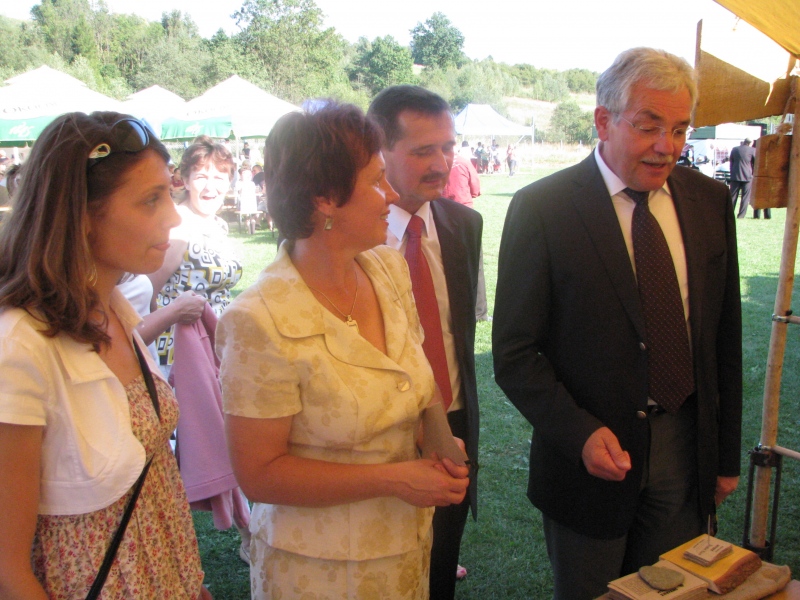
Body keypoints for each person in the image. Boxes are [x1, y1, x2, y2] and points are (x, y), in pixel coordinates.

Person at [493, 47, 742, 600]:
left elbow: (723, 337)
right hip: (589, 464)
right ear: (603, 121)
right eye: (649, 126)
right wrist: (579, 433)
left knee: (676, 593)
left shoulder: (708, 201)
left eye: (680, 129)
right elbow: (514, 352)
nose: (667, 146)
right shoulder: (543, 208)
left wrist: (723, 456)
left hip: (684, 449)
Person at [217, 102, 469, 600]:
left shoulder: (387, 269)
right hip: (317, 570)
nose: (391, 194)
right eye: (376, 181)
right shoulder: (259, 319)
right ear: (326, 200)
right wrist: (394, 479)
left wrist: (438, 437)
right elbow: (259, 475)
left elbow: (416, 375)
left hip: (404, 550)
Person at [0, 111, 210, 599]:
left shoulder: (114, 309)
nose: (173, 216)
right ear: (81, 216)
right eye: (150, 200)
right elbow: (8, 569)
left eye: (169, 194)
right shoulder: (21, 346)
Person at [368, 85, 483, 599]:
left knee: (440, 564)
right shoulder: (353, 236)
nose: (441, 164)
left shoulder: (464, 225)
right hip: (378, 430)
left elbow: (460, 329)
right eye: (422, 151)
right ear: (380, 151)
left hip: (452, 420)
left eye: (448, 147)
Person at [149, 135, 242, 373]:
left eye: (219, 177)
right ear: (186, 181)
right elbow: (148, 293)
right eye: (201, 177)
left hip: (217, 346)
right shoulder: (179, 225)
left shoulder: (219, 225)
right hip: (181, 353)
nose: (210, 187)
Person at [729, 138, 764, 218]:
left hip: (735, 175)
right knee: (745, 197)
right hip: (747, 176)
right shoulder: (752, 150)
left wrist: (732, 172)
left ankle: (730, 213)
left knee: (733, 196)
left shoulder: (735, 149)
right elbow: (756, 163)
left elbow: (731, 162)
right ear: (750, 143)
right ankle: (741, 215)